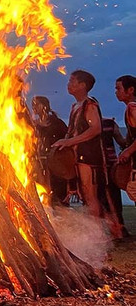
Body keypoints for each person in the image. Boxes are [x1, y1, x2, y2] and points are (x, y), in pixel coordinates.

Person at [52, 69, 124, 239]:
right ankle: (103, 232)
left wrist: (69, 142)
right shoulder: (75, 106)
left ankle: (99, 235)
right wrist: (63, 142)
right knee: (86, 195)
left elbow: (96, 129)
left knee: (91, 195)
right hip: (79, 157)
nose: (69, 84)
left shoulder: (89, 104)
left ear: (83, 85)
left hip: (90, 158)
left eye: (73, 81)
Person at [30, 96, 71, 205]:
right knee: (42, 188)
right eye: (33, 104)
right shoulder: (33, 124)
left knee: (56, 190)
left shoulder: (56, 123)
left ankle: (60, 211)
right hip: (39, 162)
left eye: (36, 104)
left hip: (55, 163)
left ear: (44, 106)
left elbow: (66, 139)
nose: (34, 107)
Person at [116, 75, 136, 166]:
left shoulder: (132, 107)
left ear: (131, 90)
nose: (116, 92)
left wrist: (128, 151)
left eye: (119, 89)